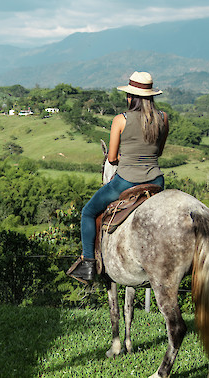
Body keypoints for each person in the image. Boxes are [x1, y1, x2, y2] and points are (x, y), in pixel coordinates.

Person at [67, 71, 169, 283]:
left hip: (127, 181)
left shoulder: (120, 120)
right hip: (156, 181)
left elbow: (112, 158)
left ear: (130, 97)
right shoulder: (163, 118)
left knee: (88, 212)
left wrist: (125, 156)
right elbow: (157, 152)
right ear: (151, 96)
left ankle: (87, 263)